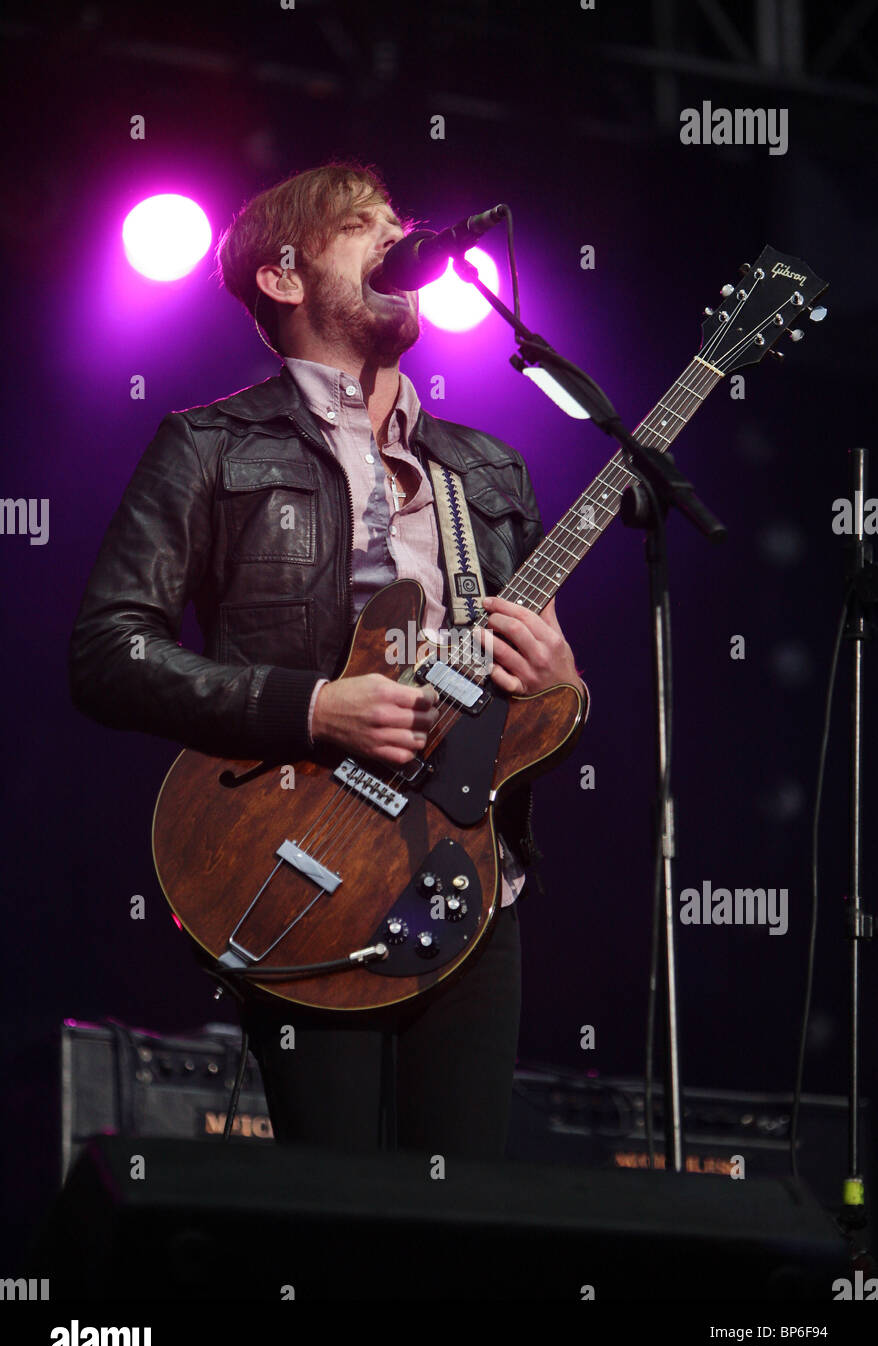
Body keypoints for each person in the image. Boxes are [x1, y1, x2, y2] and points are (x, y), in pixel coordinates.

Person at [69, 160, 586, 1162]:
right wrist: (313, 707)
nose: (397, 242)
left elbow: (534, 703)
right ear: (284, 276)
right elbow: (107, 651)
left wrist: (560, 681)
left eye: (400, 227)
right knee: (339, 1202)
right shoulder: (209, 444)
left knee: (462, 1204)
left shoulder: (484, 469)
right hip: (297, 849)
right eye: (367, 230)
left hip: (465, 869)